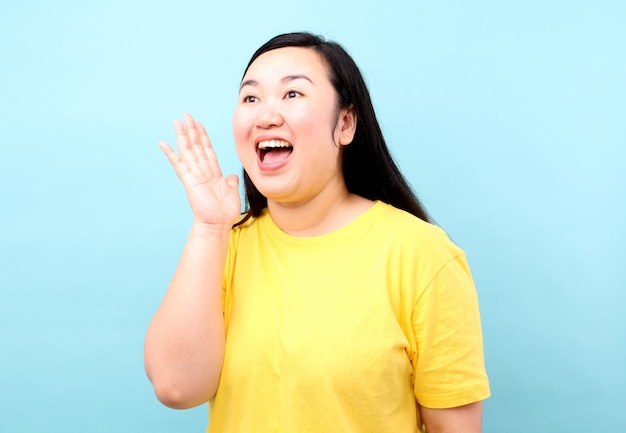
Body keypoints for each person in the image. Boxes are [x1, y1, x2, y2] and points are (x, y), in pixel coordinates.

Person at [144, 32, 490, 433]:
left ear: (345, 124)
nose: (266, 115)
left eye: (292, 94)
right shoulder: (223, 245)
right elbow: (176, 388)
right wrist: (208, 228)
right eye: (251, 98)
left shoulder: (420, 254)